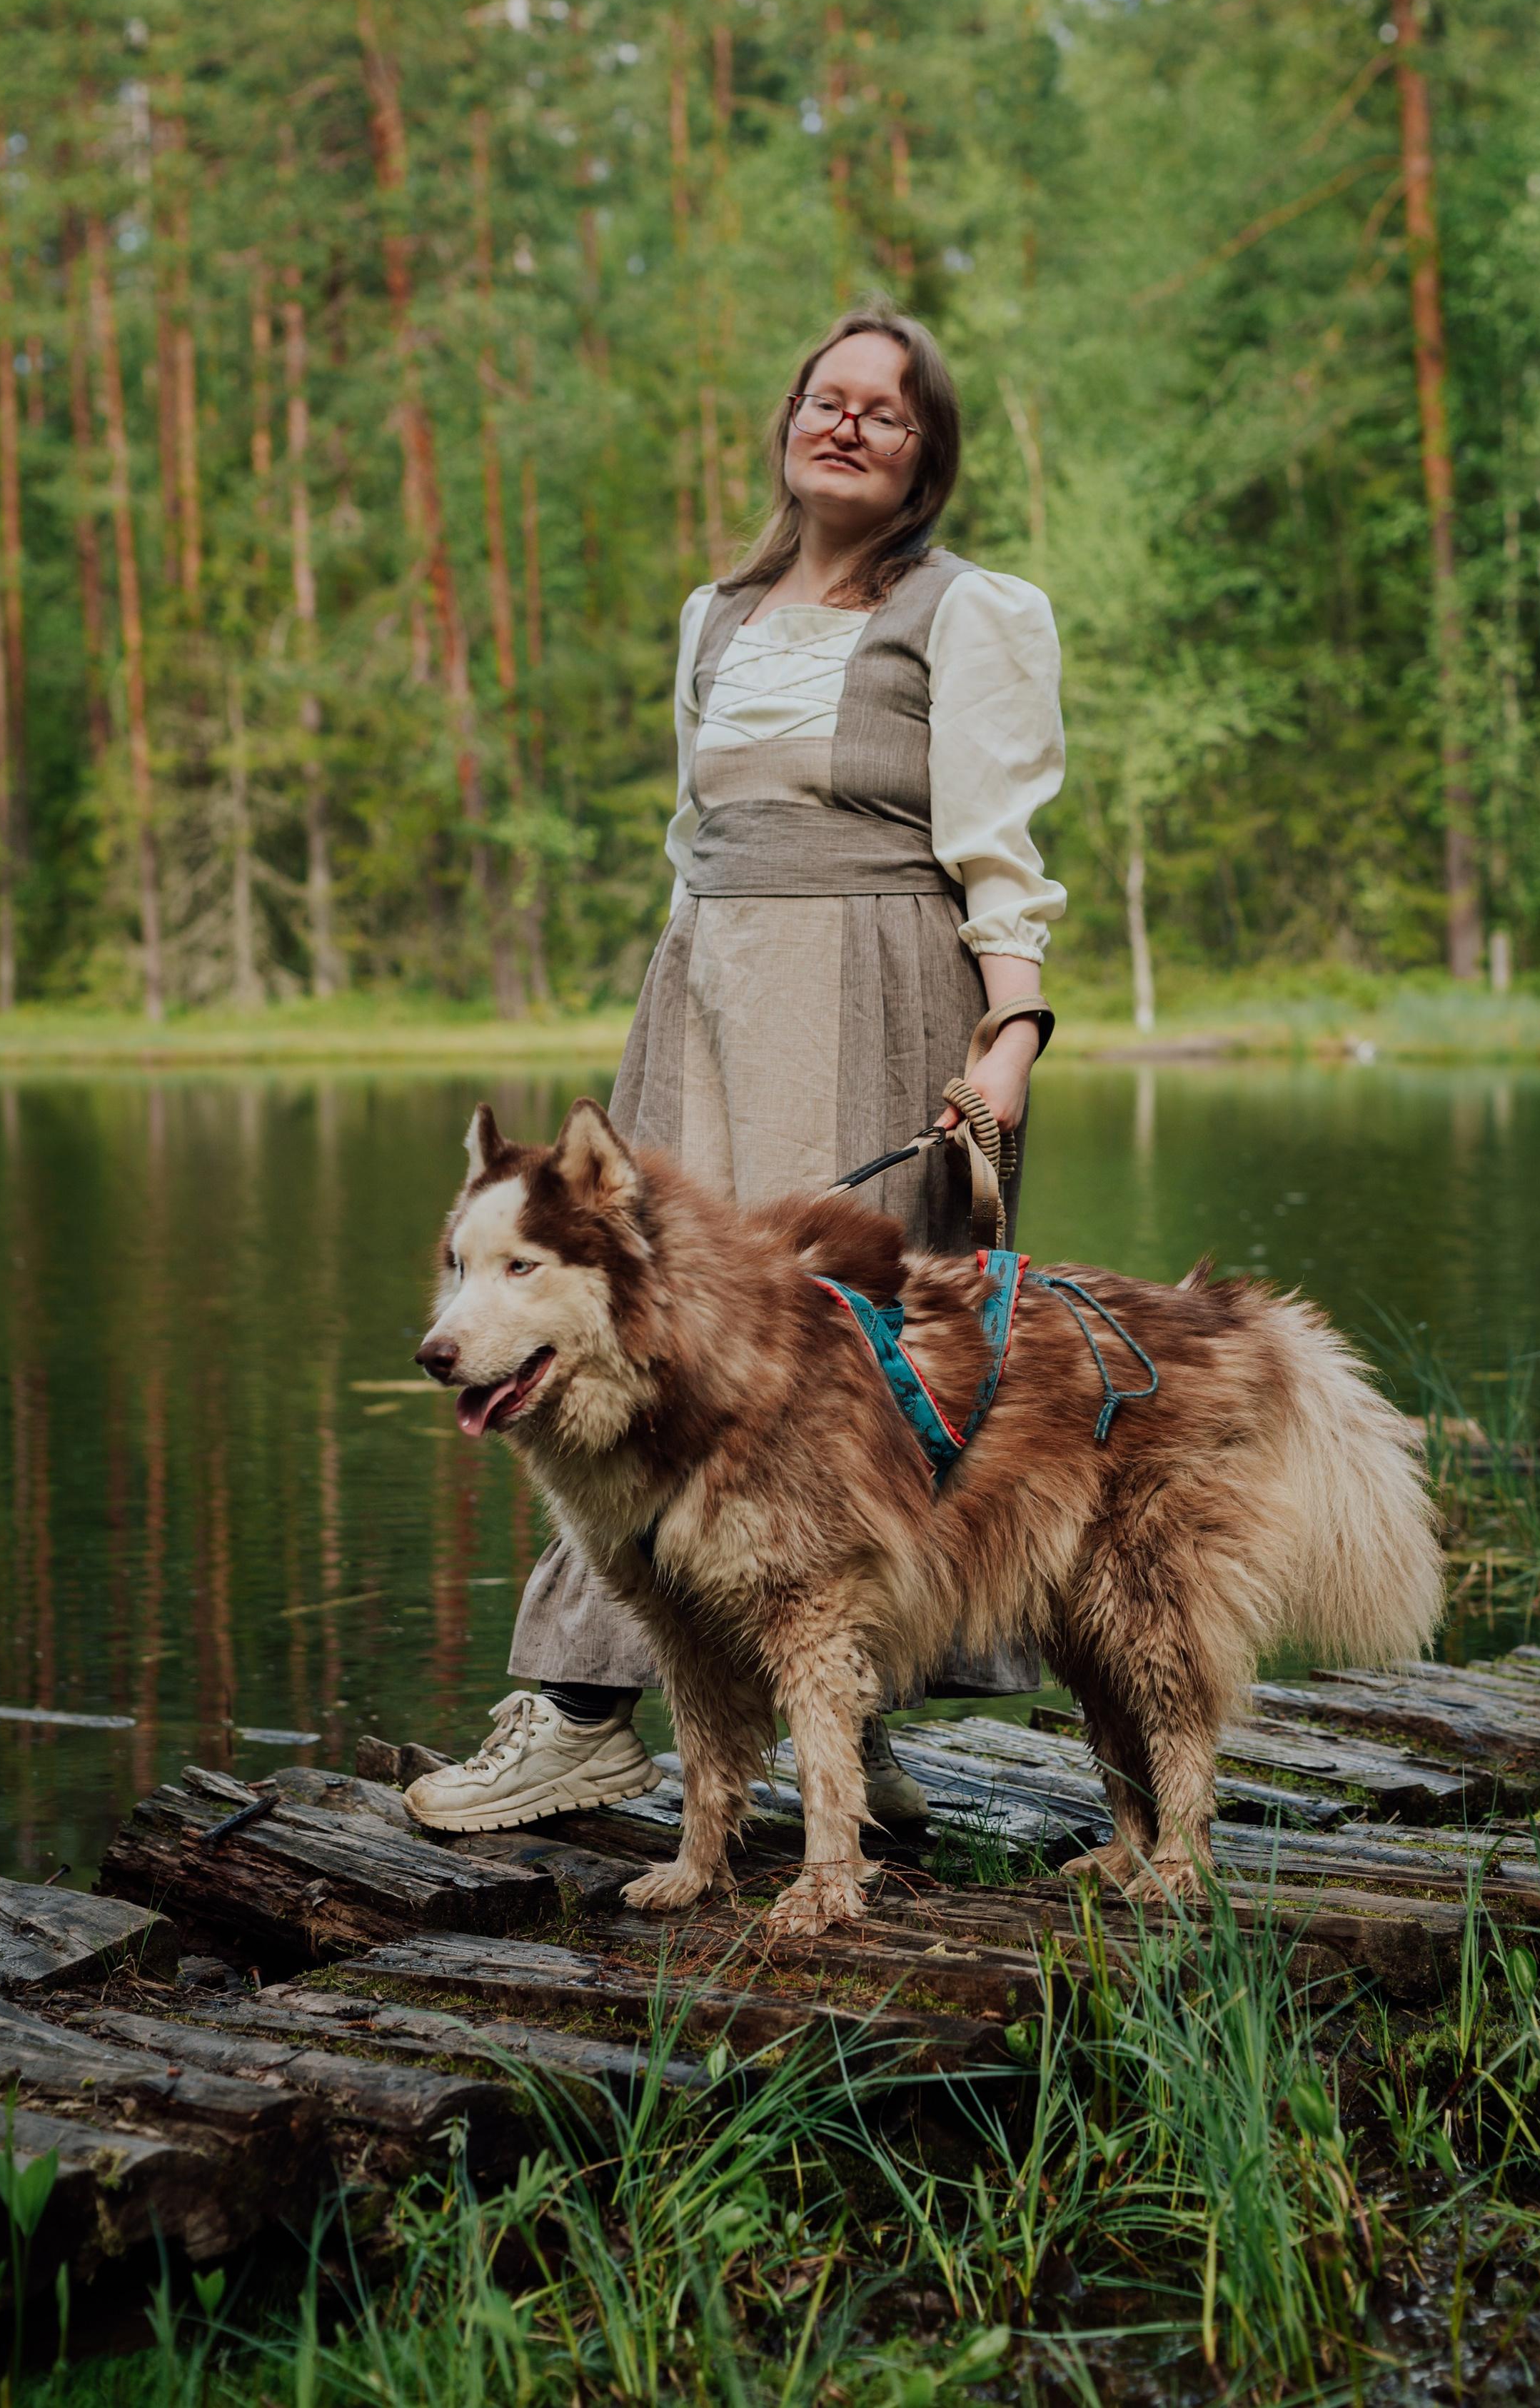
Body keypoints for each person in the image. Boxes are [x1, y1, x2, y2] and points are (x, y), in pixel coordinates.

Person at [406, 301, 1065, 1835]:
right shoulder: (716, 614)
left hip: (883, 983)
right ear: (786, 423)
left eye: (882, 412)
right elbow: (693, 842)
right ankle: (576, 1709)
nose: (842, 422)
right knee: (623, 1331)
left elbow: (999, 850)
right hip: (702, 985)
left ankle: (855, 1727)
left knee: (848, 1357)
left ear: (923, 459)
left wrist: (1009, 1036)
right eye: (821, 399)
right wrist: (688, 980)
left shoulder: (970, 613)